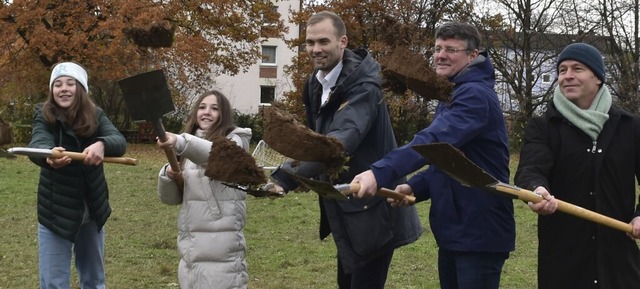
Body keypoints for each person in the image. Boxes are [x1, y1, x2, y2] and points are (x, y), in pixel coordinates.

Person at [352, 22, 515, 289]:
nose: (440, 55)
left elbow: (433, 142)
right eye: (438, 48)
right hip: (456, 229)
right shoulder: (452, 93)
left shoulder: (474, 95)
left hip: (479, 229)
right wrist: (413, 186)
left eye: (451, 49)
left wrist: (380, 172)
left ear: (473, 56)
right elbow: (450, 162)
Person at [267, 11, 422, 289]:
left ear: (343, 42)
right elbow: (313, 137)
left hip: (374, 207)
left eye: (323, 41)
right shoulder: (315, 83)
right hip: (346, 203)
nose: (316, 49)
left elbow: (337, 142)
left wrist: (284, 178)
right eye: (310, 42)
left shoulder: (364, 88)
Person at [514, 42, 640, 288]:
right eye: (562, 70)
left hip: (618, 261)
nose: (567, 76)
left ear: (598, 78)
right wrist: (537, 189)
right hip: (563, 259)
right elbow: (531, 167)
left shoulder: (630, 127)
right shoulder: (544, 126)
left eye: (577, 68)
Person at [28, 61, 127, 289]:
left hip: (92, 210)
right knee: (53, 283)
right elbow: (38, 142)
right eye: (58, 84)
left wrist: (102, 144)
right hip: (55, 211)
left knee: (93, 280)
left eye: (70, 83)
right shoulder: (43, 114)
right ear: (52, 90)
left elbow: (118, 141)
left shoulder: (96, 115)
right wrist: (47, 156)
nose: (64, 88)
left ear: (80, 89)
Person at [156, 90, 252, 289]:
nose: (206, 112)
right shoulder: (188, 147)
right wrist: (168, 174)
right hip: (191, 242)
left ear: (224, 114)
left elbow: (216, 155)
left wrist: (181, 142)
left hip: (222, 241)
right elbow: (171, 199)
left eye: (214, 109)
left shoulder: (237, 141)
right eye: (202, 107)